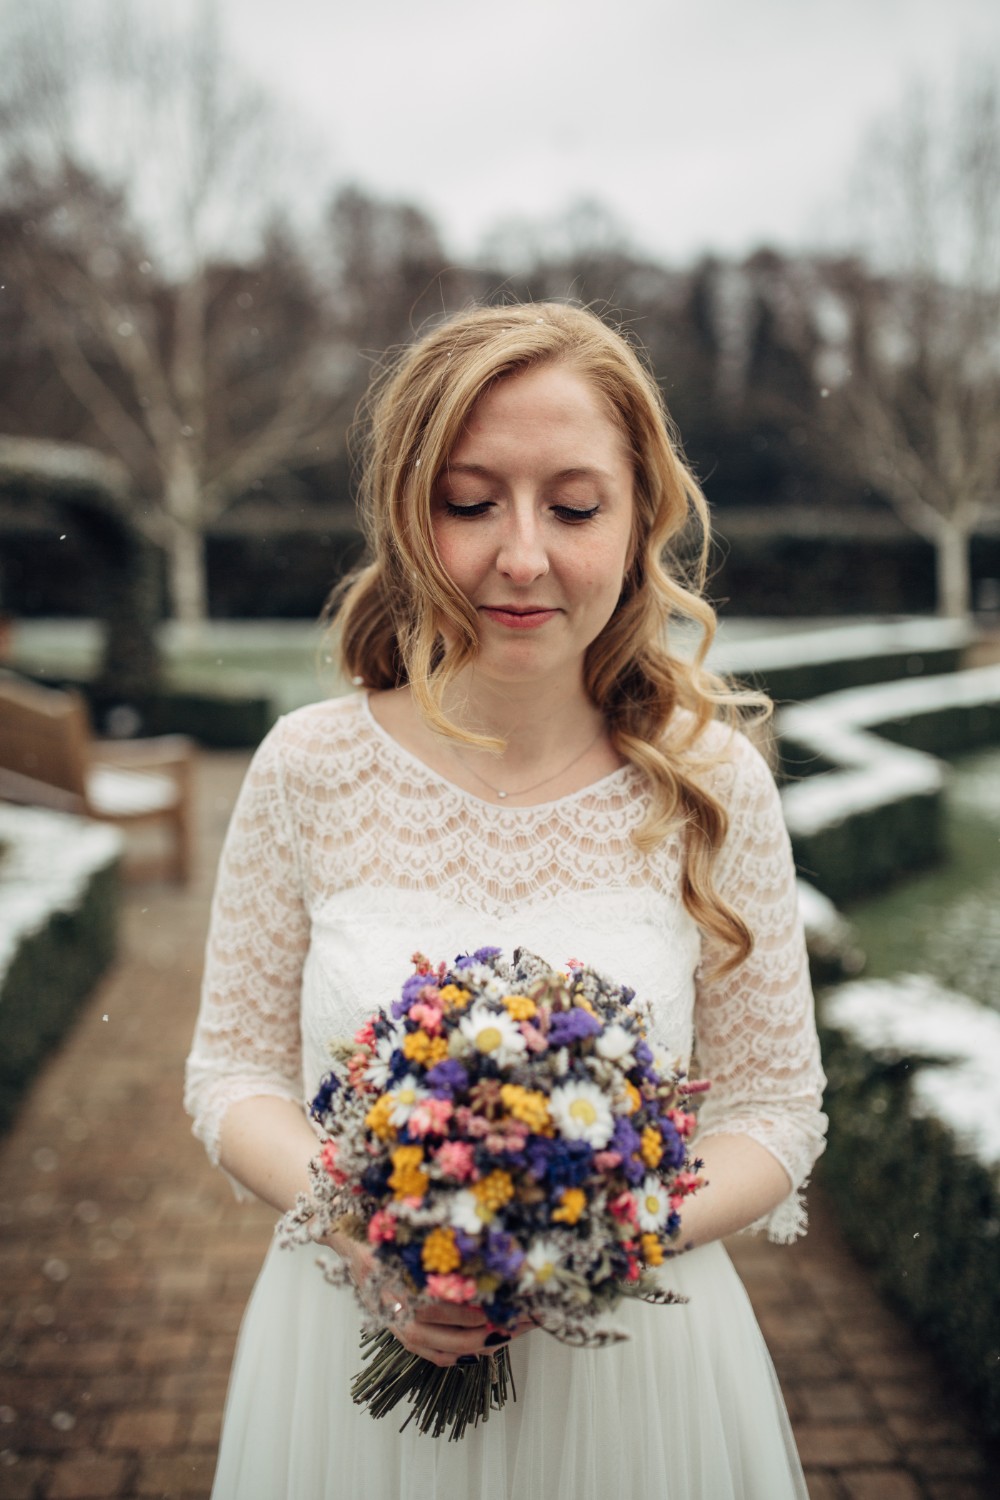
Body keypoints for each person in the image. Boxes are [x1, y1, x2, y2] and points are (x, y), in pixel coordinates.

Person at [185, 301, 826, 1499]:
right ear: (405, 517)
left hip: (641, 1382)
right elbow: (231, 1074)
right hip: (348, 1355)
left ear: (640, 520)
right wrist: (373, 1231)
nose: (521, 556)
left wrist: (599, 1237)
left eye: (574, 507)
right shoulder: (308, 769)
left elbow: (777, 1108)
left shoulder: (712, 783)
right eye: (469, 502)